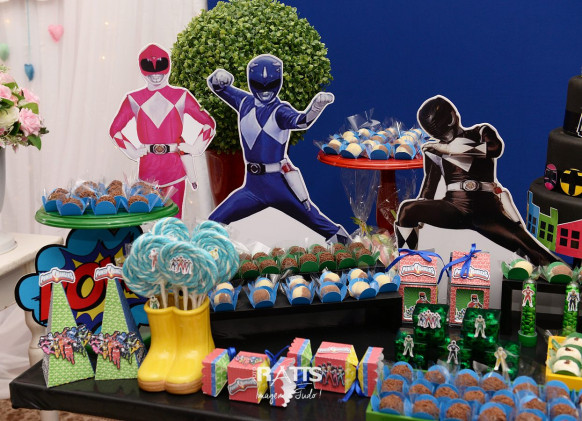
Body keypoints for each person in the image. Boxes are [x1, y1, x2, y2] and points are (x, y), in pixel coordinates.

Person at [395, 96, 555, 266]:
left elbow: (495, 148)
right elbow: (429, 186)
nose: (442, 136)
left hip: (486, 211)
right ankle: (408, 265)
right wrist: (421, 210)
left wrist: (448, 149)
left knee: (529, 248)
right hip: (453, 207)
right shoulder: (434, 150)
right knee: (407, 210)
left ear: (452, 118)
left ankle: (556, 273)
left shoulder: (480, 132)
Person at [206, 54, 349, 243]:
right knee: (213, 222)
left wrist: (316, 107)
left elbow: (301, 121)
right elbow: (218, 88)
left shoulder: (280, 110)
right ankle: (205, 253)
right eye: (259, 85)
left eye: (271, 85)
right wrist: (218, 77)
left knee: (314, 219)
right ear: (251, 81)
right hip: (252, 187)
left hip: (278, 185)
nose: (265, 91)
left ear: (278, 82)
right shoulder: (244, 102)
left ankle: (350, 247)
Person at [110, 43, 216, 218]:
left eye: (160, 72)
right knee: (149, 219)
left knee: (174, 218)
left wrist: (196, 148)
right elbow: (115, 130)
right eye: (151, 72)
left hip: (174, 169)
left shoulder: (181, 96)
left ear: (167, 68)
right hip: (148, 169)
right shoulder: (133, 99)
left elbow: (208, 124)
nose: (156, 77)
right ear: (143, 71)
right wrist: (132, 151)